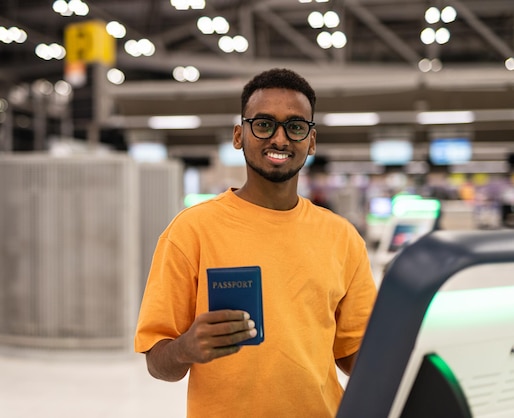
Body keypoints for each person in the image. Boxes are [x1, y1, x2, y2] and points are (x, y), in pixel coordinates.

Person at [134, 68, 377, 417]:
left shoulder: (342, 238)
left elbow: (353, 355)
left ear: (311, 141)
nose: (279, 139)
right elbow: (158, 363)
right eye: (264, 124)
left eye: (295, 127)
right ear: (239, 135)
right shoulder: (191, 231)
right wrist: (186, 348)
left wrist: (405, 346)